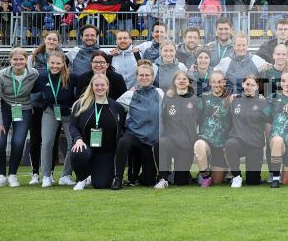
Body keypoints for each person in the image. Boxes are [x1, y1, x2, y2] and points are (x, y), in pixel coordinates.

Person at [0, 48, 40, 187]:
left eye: (21, 59)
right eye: (15, 59)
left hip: (24, 109)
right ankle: (1, 175)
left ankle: (12, 175)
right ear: (10, 60)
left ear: (26, 60)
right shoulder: (0, 75)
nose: (18, 62)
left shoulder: (33, 74)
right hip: (4, 108)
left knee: (18, 141)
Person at [113, 60, 166, 189]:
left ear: (152, 77)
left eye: (147, 75)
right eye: (141, 75)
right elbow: (113, 109)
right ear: (137, 77)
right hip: (135, 138)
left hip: (152, 141)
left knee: (148, 181)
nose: (144, 78)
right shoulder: (129, 95)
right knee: (123, 142)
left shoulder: (160, 93)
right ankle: (118, 178)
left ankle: (145, 176)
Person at [69, 74, 126, 190]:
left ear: (107, 86)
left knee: (101, 184)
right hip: (87, 147)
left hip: (106, 152)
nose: (100, 87)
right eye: (96, 85)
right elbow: (72, 126)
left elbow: (122, 129)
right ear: (92, 86)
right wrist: (78, 139)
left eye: (102, 85)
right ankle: (82, 178)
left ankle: (93, 175)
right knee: (78, 152)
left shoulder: (117, 107)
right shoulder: (81, 104)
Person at [27, 31, 65, 185]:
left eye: (54, 39)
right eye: (49, 38)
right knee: (36, 139)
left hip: (53, 103)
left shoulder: (63, 57)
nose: (51, 41)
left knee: (52, 140)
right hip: (36, 103)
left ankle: (50, 172)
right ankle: (35, 172)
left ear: (58, 42)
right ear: (45, 40)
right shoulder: (34, 57)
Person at [34, 52, 77, 187]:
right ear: (48, 63)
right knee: (46, 143)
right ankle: (46, 176)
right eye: (52, 63)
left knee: (73, 144)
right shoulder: (41, 77)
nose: (55, 66)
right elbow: (29, 91)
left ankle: (66, 175)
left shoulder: (72, 77)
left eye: (58, 63)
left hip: (69, 113)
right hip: (50, 112)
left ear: (63, 64)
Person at [225, 76, 271, 187]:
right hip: (238, 141)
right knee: (230, 144)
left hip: (255, 144)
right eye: (247, 84)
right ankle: (236, 177)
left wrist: (268, 140)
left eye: (252, 85)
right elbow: (229, 123)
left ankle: (254, 176)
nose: (249, 87)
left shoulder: (264, 103)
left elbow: (268, 122)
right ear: (242, 85)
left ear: (257, 87)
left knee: (253, 182)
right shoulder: (235, 101)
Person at [159, 70, 201, 187]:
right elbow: (163, 118)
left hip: (186, 144)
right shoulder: (167, 98)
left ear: (189, 82)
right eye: (179, 79)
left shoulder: (195, 100)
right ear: (174, 82)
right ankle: (163, 178)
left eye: (184, 79)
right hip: (170, 140)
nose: (181, 81)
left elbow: (198, 121)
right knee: (161, 143)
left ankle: (182, 174)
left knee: (180, 182)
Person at [194, 70, 232, 186]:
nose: (217, 84)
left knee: (217, 181)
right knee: (199, 145)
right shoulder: (203, 98)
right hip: (207, 141)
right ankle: (205, 176)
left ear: (224, 82)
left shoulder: (231, 100)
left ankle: (224, 170)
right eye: (214, 82)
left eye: (220, 81)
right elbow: (194, 118)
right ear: (210, 83)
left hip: (222, 144)